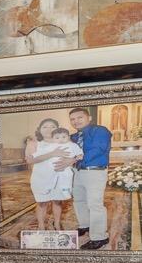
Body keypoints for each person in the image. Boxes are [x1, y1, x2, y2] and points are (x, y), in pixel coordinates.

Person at [61, 107, 113, 250]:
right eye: (72, 119)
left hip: (94, 172)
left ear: (89, 118)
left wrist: (73, 159)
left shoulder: (100, 131)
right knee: (79, 200)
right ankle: (85, 225)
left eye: (79, 117)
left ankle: (100, 237)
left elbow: (98, 149)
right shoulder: (73, 137)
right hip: (77, 172)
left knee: (94, 204)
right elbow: (61, 148)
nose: (75, 121)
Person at [24, 119, 81, 230]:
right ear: (39, 130)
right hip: (41, 177)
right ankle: (41, 226)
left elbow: (76, 155)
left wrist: (72, 160)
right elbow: (30, 160)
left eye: (52, 126)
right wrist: (53, 153)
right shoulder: (34, 143)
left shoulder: (65, 142)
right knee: (42, 203)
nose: (49, 129)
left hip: (60, 178)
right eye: (45, 127)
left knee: (57, 201)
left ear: (57, 129)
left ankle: (57, 223)